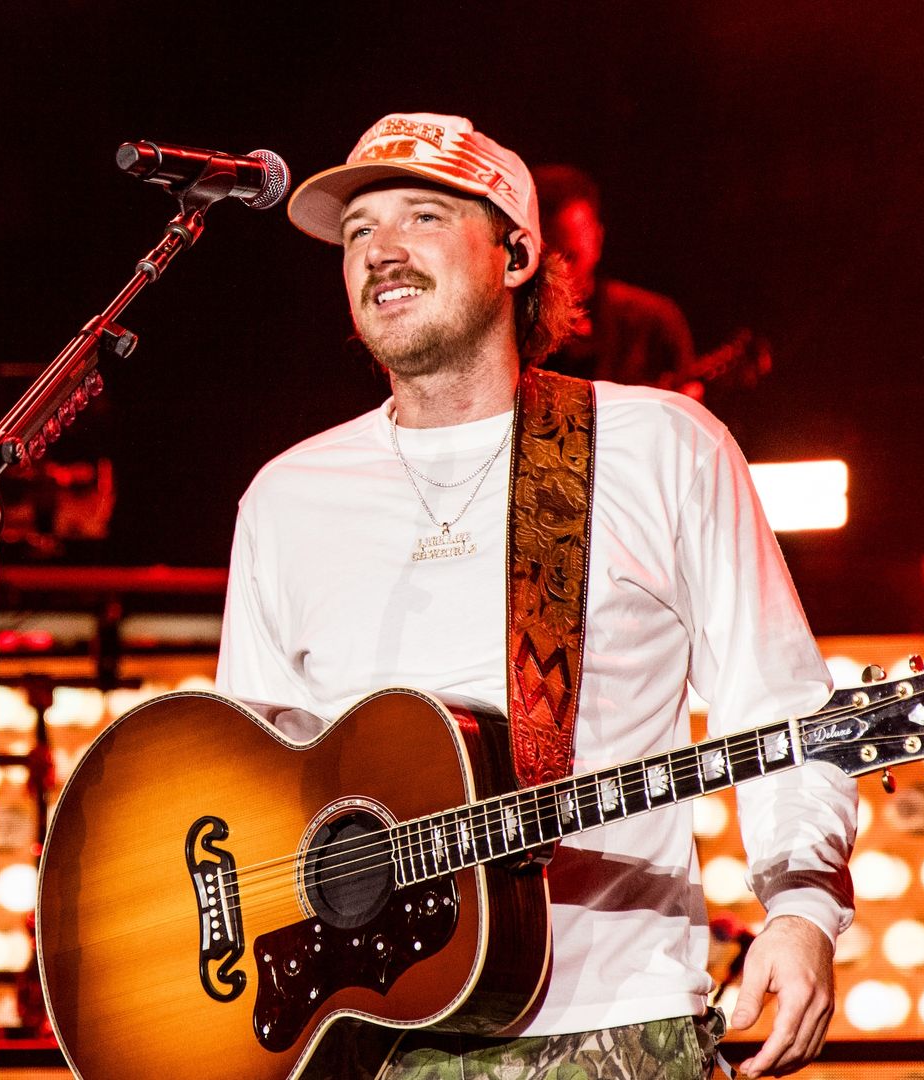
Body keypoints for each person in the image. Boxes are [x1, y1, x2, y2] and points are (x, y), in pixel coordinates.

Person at [216, 112, 856, 1079]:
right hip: (360, 1040)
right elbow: (248, 771)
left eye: (422, 217)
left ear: (517, 254)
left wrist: (803, 907)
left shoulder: (660, 447)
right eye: (356, 233)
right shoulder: (287, 496)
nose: (379, 250)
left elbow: (779, 705)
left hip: (610, 1022)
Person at [533, 163, 699, 392]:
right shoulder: (502, 332)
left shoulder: (654, 324)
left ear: (598, 241)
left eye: (570, 257)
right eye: (545, 259)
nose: (559, 274)